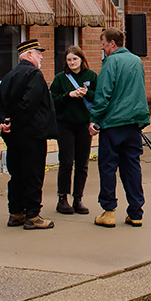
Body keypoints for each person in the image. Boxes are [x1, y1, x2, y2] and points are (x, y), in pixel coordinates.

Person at [0, 38, 58, 229]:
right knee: (33, 174)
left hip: (13, 136)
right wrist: (15, 122)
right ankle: (33, 215)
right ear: (28, 54)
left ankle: (16, 213)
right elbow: (29, 104)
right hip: (31, 134)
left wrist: (3, 121)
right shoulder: (34, 74)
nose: (41, 56)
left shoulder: (9, 75)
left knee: (17, 174)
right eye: (38, 53)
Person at [88, 27, 149, 228]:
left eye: (104, 44)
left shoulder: (111, 62)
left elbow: (103, 93)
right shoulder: (136, 61)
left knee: (108, 167)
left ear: (112, 44)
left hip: (113, 123)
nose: (102, 48)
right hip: (133, 123)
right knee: (132, 167)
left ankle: (109, 211)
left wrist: (95, 119)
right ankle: (136, 212)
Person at [49, 45, 97, 215]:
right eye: (69, 60)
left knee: (82, 163)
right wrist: (68, 95)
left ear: (81, 60)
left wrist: (86, 93)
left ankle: (78, 198)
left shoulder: (91, 76)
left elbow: (98, 98)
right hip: (65, 125)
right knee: (66, 162)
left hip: (84, 124)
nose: (72, 62)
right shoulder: (60, 79)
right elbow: (52, 101)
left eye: (75, 59)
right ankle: (62, 198)